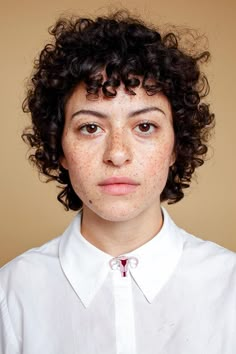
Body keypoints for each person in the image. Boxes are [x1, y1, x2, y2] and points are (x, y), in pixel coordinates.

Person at [0, 10, 235, 354]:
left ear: (176, 145)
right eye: (91, 127)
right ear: (59, 146)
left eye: (144, 127)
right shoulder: (9, 295)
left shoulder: (230, 288)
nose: (118, 154)